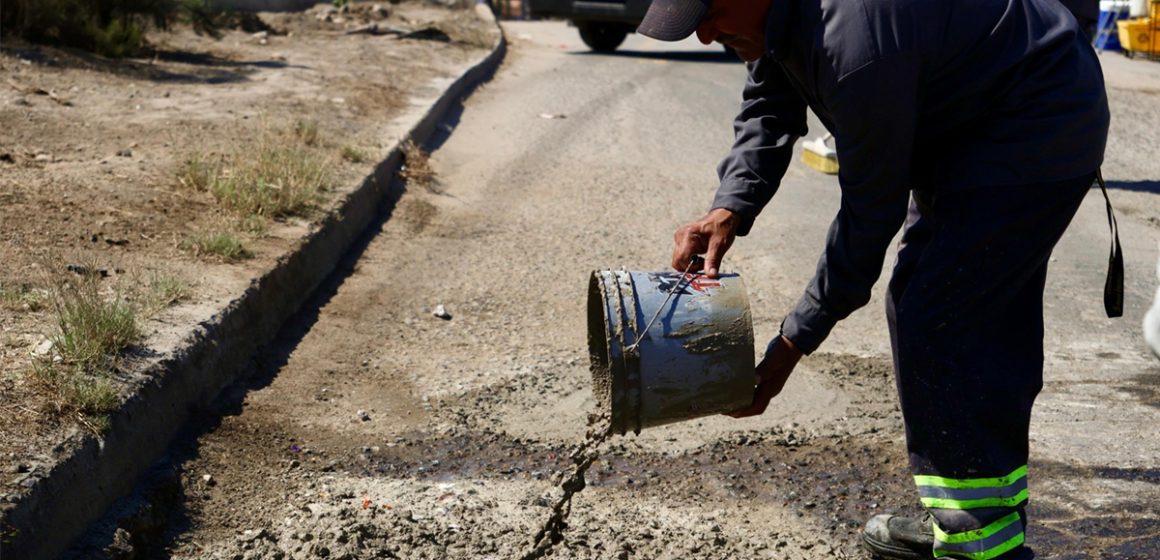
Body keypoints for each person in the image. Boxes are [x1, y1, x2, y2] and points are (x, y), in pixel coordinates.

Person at [637, 0, 1117, 558]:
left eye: (710, 15)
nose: (704, 36)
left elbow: (869, 217)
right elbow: (771, 104)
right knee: (925, 306)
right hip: (970, 127)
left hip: (1034, 124)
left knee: (947, 320)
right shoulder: (779, 19)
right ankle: (963, 525)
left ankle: (980, 544)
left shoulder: (856, 46)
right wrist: (731, 206)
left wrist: (791, 345)